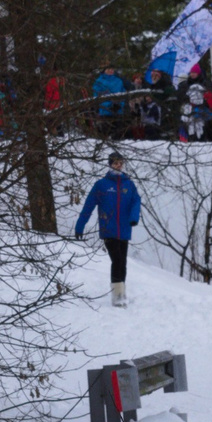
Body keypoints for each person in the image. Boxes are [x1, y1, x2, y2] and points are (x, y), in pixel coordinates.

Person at [72, 152, 143, 307]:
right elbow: (88, 206)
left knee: (122, 262)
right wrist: (80, 225)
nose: (119, 165)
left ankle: (121, 294)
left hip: (124, 229)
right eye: (115, 163)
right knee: (116, 260)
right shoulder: (101, 185)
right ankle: (117, 298)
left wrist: (133, 217)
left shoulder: (128, 184)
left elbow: (136, 201)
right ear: (110, 164)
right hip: (108, 229)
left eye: (121, 163)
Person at [91, 65, 126, 138]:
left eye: (112, 68)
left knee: (118, 136)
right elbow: (97, 97)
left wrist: (120, 105)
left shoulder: (119, 81)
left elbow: (124, 95)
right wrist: (109, 105)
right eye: (109, 69)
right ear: (104, 70)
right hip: (105, 113)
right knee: (105, 136)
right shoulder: (99, 82)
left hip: (118, 112)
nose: (111, 70)